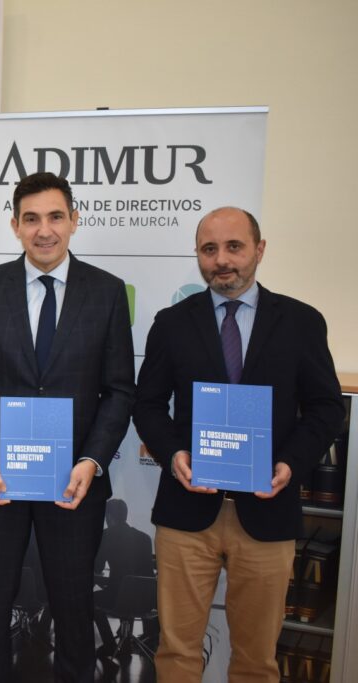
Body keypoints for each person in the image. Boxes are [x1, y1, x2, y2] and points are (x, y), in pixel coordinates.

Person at [133, 206, 344, 681]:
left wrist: (291, 463)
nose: (222, 260)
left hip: (268, 514)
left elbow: (327, 407)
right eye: (210, 249)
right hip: (188, 514)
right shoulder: (171, 323)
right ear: (199, 256)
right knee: (177, 652)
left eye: (234, 247)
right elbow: (146, 404)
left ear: (259, 250)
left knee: (255, 659)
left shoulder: (301, 321)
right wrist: (173, 455)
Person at [0, 171, 135, 683]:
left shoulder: (107, 293)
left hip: (74, 484)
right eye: (31, 219)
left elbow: (119, 389)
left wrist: (91, 461)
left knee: (74, 609)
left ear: (75, 220)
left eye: (56, 216)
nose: (44, 230)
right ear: (15, 225)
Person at [92, 498, 154, 662]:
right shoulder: (145, 538)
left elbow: (97, 568)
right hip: (146, 599)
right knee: (127, 593)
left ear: (109, 517)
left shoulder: (106, 536)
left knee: (90, 601)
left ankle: (110, 644)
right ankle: (125, 645)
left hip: (118, 597)